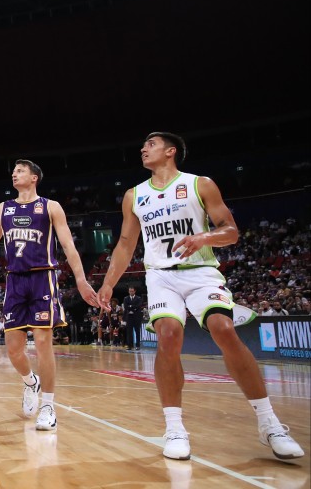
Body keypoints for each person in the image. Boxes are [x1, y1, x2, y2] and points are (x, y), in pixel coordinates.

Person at [98, 132, 304, 461]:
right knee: (168, 335)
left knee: (223, 328)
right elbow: (125, 244)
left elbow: (231, 230)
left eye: (150, 145)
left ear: (171, 151)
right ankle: (175, 428)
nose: (143, 149)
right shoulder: (134, 195)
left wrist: (204, 236)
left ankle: (269, 424)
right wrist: (109, 283)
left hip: (200, 271)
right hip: (161, 275)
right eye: (143, 146)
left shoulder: (200, 184)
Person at [0, 159, 103, 432]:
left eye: (20, 171)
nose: (15, 174)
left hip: (43, 277)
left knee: (43, 341)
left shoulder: (50, 207)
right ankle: (31, 382)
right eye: (14, 171)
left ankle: (49, 406)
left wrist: (81, 280)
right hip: (15, 280)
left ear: (34, 177)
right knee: (14, 350)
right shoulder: (3, 209)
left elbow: (68, 245)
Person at [122, 285, 145, 351]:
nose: (131, 292)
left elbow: (138, 306)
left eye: (132, 291)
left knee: (137, 331)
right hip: (129, 317)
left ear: (135, 291)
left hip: (137, 317)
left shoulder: (139, 298)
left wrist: (131, 307)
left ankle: (138, 345)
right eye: (130, 291)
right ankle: (130, 345)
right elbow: (126, 307)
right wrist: (132, 307)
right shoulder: (126, 298)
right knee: (129, 332)